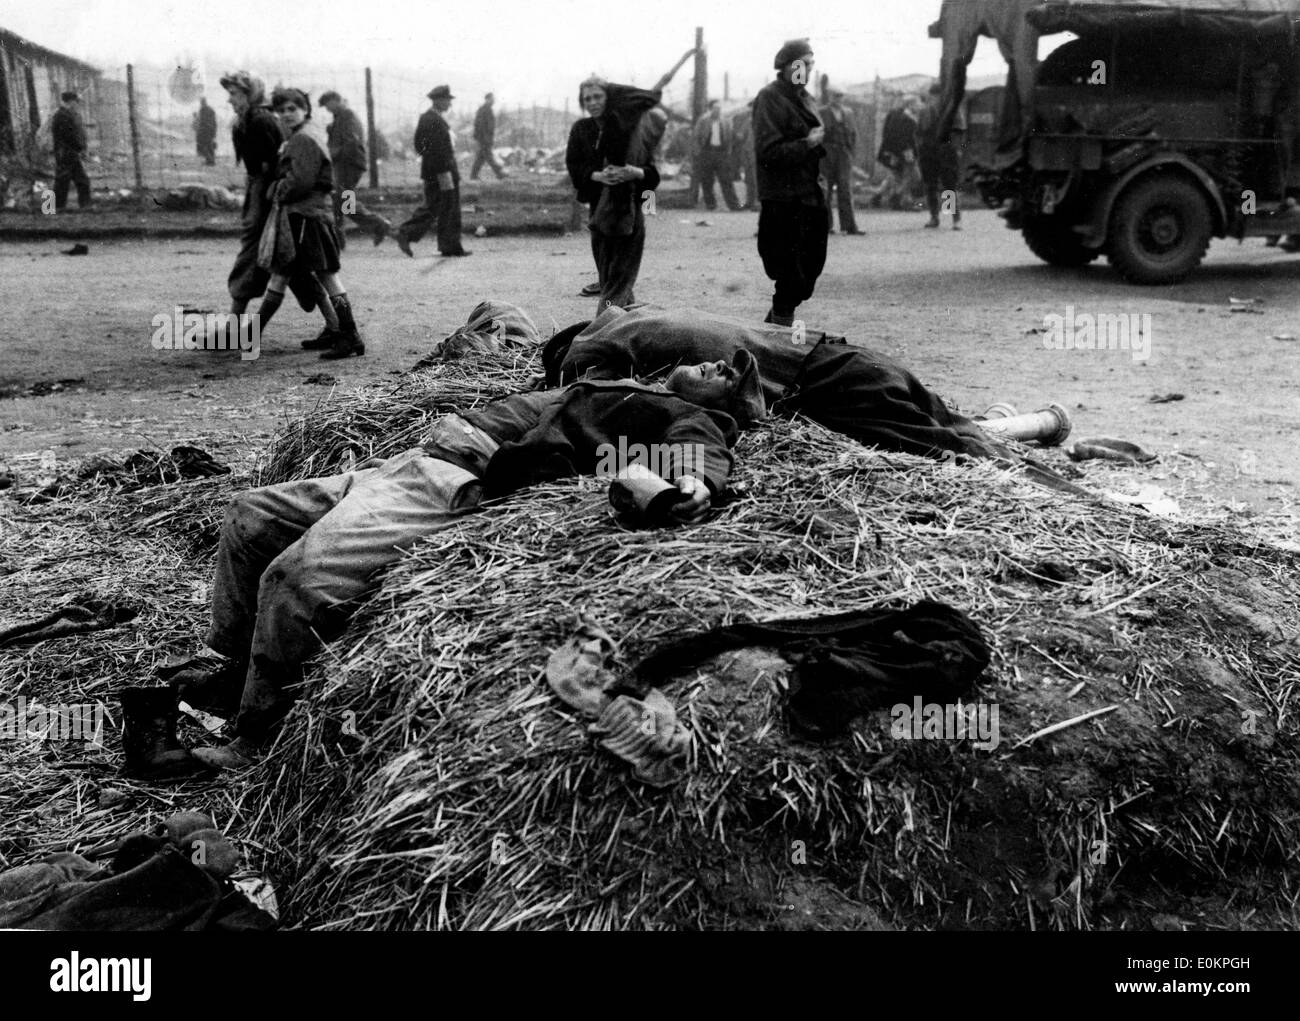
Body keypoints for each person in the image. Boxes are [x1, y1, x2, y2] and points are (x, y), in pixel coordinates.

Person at [166, 364, 758, 770]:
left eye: (731, 377)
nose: (718, 368)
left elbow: (698, 451)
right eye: (719, 362)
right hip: (413, 461)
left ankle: (254, 735)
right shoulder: (628, 381)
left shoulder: (689, 416)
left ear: (728, 407)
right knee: (250, 515)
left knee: (293, 580)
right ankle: (234, 666)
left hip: (451, 482)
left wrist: (694, 484)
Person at [547, 304, 1088, 496]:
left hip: (834, 383)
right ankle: (1033, 425)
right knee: (941, 421)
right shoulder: (645, 316)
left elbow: (585, 382)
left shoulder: (619, 342)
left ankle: (1061, 484)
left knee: (943, 447)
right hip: (844, 358)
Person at [251, 87, 365, 360]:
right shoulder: (310, 132)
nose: (286, 115)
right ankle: (340, 331)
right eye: (281, 110)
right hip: (316, 207)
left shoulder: (305, 137)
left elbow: (301, 180)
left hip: (311, 211)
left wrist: (276, 188)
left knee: (323, 273)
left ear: (305, 109)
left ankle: (349, 335)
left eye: (292, 109)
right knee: (287, 273)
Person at [566, 75, 664, 313]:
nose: (592, 102)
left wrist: (634, 172)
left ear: (609, 97)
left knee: (618, 280)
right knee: (609, 278)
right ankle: (632, 323)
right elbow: (574, 165)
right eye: (587, 98)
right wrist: (597, 175)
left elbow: (652, 175)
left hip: (628, 212)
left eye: (598, 96)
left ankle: (602, 329)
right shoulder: (582, 129)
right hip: (599, 213)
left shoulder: (627, 126)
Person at [752, 38, 828, 327]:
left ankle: (768, 331)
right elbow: (768, 153)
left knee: (808, 277)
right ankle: (775, 341)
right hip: (783, 202)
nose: (806, 70)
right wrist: (807, 144)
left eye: (810, 64)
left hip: (810, 197)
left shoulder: (806, 99)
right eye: (800, 64)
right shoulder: (769, 98)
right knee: (789, 277)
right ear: (784, 67)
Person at [395, 85, 470, 258]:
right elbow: (427, 146)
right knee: (444, 206)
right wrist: (440, 169)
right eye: (447, 100)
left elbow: (421, 146)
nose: (449, 104)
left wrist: (432, 162)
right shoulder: (431, 119)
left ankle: (446, 245)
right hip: (442, 171)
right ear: (437, 100)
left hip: (440, 169)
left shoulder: (433, 118)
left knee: (439, 205)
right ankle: (402, 232)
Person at [318, 90, 392, 247]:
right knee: (341, 200)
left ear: (335, 100)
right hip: (344, 165)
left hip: (349, 165)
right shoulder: (340, 117)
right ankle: (339, 237)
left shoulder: (347, 115)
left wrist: (333, 153)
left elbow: (351, 142)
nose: (327, 109)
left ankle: (378, 225)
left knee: (342, 200)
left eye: (328, 105)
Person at [917, 83, 964, 231]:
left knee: (948, 185)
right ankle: (934, 217)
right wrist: (921, 148)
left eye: (938, 96)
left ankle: (953, 218)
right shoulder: (924, 111)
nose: (935, 99)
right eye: (933, 96)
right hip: (929, 151)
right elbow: (918, 131)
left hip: (946, 151)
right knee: (930, 185)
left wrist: (955, 148)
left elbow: (959, 131)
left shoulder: (953, 110)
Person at [820, 90, 861, 234]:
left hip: (843, 153)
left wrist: (851, 153)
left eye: (840, 96)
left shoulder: (848, 113)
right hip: (826, 153)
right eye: (835, 96)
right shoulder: (822, 112)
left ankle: (849, 226)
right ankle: (825, 225)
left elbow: (854, 133)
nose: (837, 99)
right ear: (830, 97)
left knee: (845, 188)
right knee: (826, 189)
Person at [693, 99, 741, 211]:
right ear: (710, 109)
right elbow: (696, 136)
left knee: (726, 179)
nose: (717, 111)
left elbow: (730, 137)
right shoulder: (703, 120)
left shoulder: (726, 121)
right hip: (707, 152)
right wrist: (698, 152)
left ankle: (734, 205)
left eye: (719, 108)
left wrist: (728, 152)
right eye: (715, 108)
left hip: (721, 153)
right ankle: (711, 205)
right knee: (707, 180)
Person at [875, 96, 920, 211]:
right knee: (913, 175)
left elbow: (886, 133)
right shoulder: (906, 118)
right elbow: (903, 138)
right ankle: (897, 197)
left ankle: (879, 196)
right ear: (910, 104)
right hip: (903, 151)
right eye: (917, 103)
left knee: (895, 175)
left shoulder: (895, 114)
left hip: (892, 150)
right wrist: (905, 153)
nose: (919, 105)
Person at [51, 91, 91, 211]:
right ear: (70, 101)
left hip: (68, 152)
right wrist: (80, 148)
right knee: (66, 180)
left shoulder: (67, 114)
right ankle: (55, 207)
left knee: (74, 180)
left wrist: (81, 148)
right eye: (76, 102)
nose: (77, 104)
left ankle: (55, 207)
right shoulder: (62, 116)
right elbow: (69, 136)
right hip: (66, 152)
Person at [471, 92, 506, 180]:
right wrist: (483, 138)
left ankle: (473, 175)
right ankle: (499, 173)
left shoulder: (487, 109)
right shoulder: (484, 110)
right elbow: (479, 125)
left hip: (486, 138)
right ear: (487, 99)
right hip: (484, 138)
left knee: (481, 158)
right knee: (489, 156)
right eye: (492, 99)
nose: (493, 101)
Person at [193, 96, 218, 166]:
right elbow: (214, 121)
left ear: (202, 102)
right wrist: (214, 131)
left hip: (205, 131)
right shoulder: (211, 109)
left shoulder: (202, 110)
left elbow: (202, 122)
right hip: (211, 130)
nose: (201, 103)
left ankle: (210, 161)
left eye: (201, 102)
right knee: (210, 146)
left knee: (204, 146)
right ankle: (210, 161)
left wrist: (199, 131)